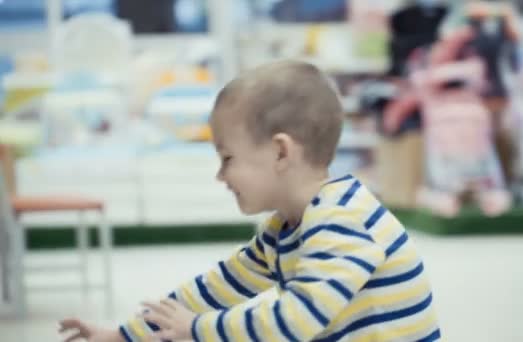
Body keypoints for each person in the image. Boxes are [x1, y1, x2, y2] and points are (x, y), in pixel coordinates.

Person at [59, 60, 440, 342]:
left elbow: (295, 321)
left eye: (227, 159)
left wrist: (196, 330)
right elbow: (215, 288)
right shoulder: (285, 228)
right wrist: (122, 336)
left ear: (279, 152)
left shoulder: (343, 220)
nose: (220, 176)